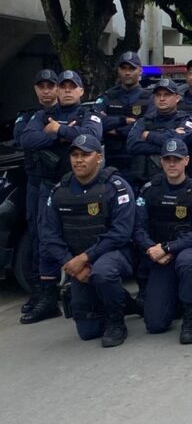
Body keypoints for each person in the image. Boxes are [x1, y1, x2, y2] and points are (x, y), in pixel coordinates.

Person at [19, 70, 103, 324]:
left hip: (82, 186)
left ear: (81, 91)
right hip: (50, 186)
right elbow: (27, 139)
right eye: (62, 86)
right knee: (46, 238)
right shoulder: (41, 116)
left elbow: (92, 138)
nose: (66, 90)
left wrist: (58, 129)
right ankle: (47, 295)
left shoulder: (90, 114)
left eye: (71, 86)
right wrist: (61, 132)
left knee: (91, 233)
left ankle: (98, 284)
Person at [38, 134, 136, 347]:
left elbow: (121, 232)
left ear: (99, 158)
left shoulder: (116, 186)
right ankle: (124, 301)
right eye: (74, 155)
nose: (79, 160)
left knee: (103, 271)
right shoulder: (59, 191)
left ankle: (116, 321)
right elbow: (49, 235)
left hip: (114, 254)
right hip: (77, 261)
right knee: (88, 332)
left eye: (85, 155)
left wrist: (84, 258)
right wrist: (70, 264)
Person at [134, 139, 192, 344]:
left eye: (176, 159)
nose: (172, 164)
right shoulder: (150, 189)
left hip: (186, 252)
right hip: (159, 256)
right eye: (167, 159)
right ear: (161, 161)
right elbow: (138, 227)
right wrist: (151, 248)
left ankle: (190, 319)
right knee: (155, 325)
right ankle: (172, 301)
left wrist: (168, 248)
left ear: (186, 160)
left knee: (187, 261)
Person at [15, 69, 59, 317]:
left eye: (50, 86)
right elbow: (25, 141)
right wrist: (54, 134)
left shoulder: (68, 113)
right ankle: (41, 292)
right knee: (38, 236)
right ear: (36, 90)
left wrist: (58, 131)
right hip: (36, 182)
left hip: (61, 182)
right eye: (41, 86)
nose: (46, 91)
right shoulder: (28, 117)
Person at [95, 51, 152, 187]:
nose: (127, 73)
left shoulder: (149, 98)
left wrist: (114, 130)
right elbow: (95, 121)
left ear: (140, 70)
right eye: (123, 68)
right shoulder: (108, 96)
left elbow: (149, 125)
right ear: (118, 70)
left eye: (132, 68)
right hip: (112, 163)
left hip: (139, 164)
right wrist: (123, 121)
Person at [126, 78, 192, 187]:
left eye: (167, 95)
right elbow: (132, 145)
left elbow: (179, 141)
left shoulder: (186, 120)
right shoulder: (144, 121)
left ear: (177, 98)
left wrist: (148, 135)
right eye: (158, 95)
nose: (162, 98)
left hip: (177, 183)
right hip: (144, 181)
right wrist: (169, 140)